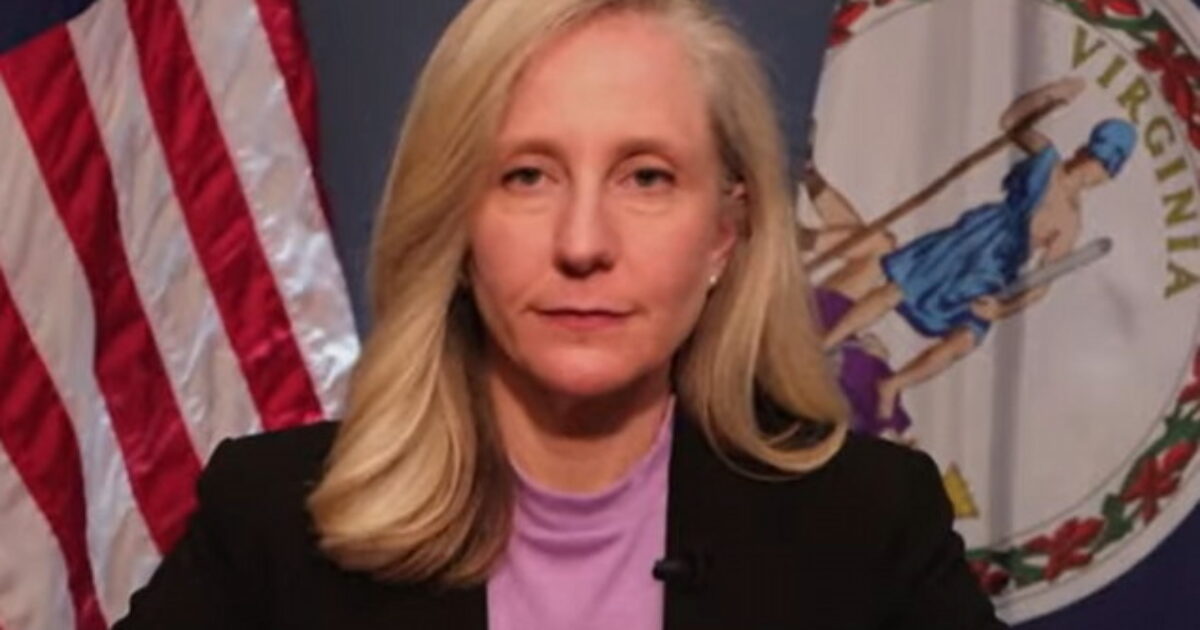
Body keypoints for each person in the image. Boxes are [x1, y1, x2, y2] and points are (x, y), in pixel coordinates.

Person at [114, 0, 1006, 628]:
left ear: (724, 234)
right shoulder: (270, 525)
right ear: (458, 227)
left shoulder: (868, 526)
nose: (583, 243)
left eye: (647, 176)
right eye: (526, 176)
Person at [817, 78, 1136, 420]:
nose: (1096, 173)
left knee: (966, 339)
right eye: (1099, 160)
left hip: (994, 273)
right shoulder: (1048, 159)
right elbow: (1011, 122)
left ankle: (893, 385)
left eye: (1106, 169)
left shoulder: (1070, 222)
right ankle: (827, 343)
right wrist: (1050, 95)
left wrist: (1001, 308)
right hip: (972, 240)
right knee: (898, 288)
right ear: (1086, 150)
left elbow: (1041, 284)